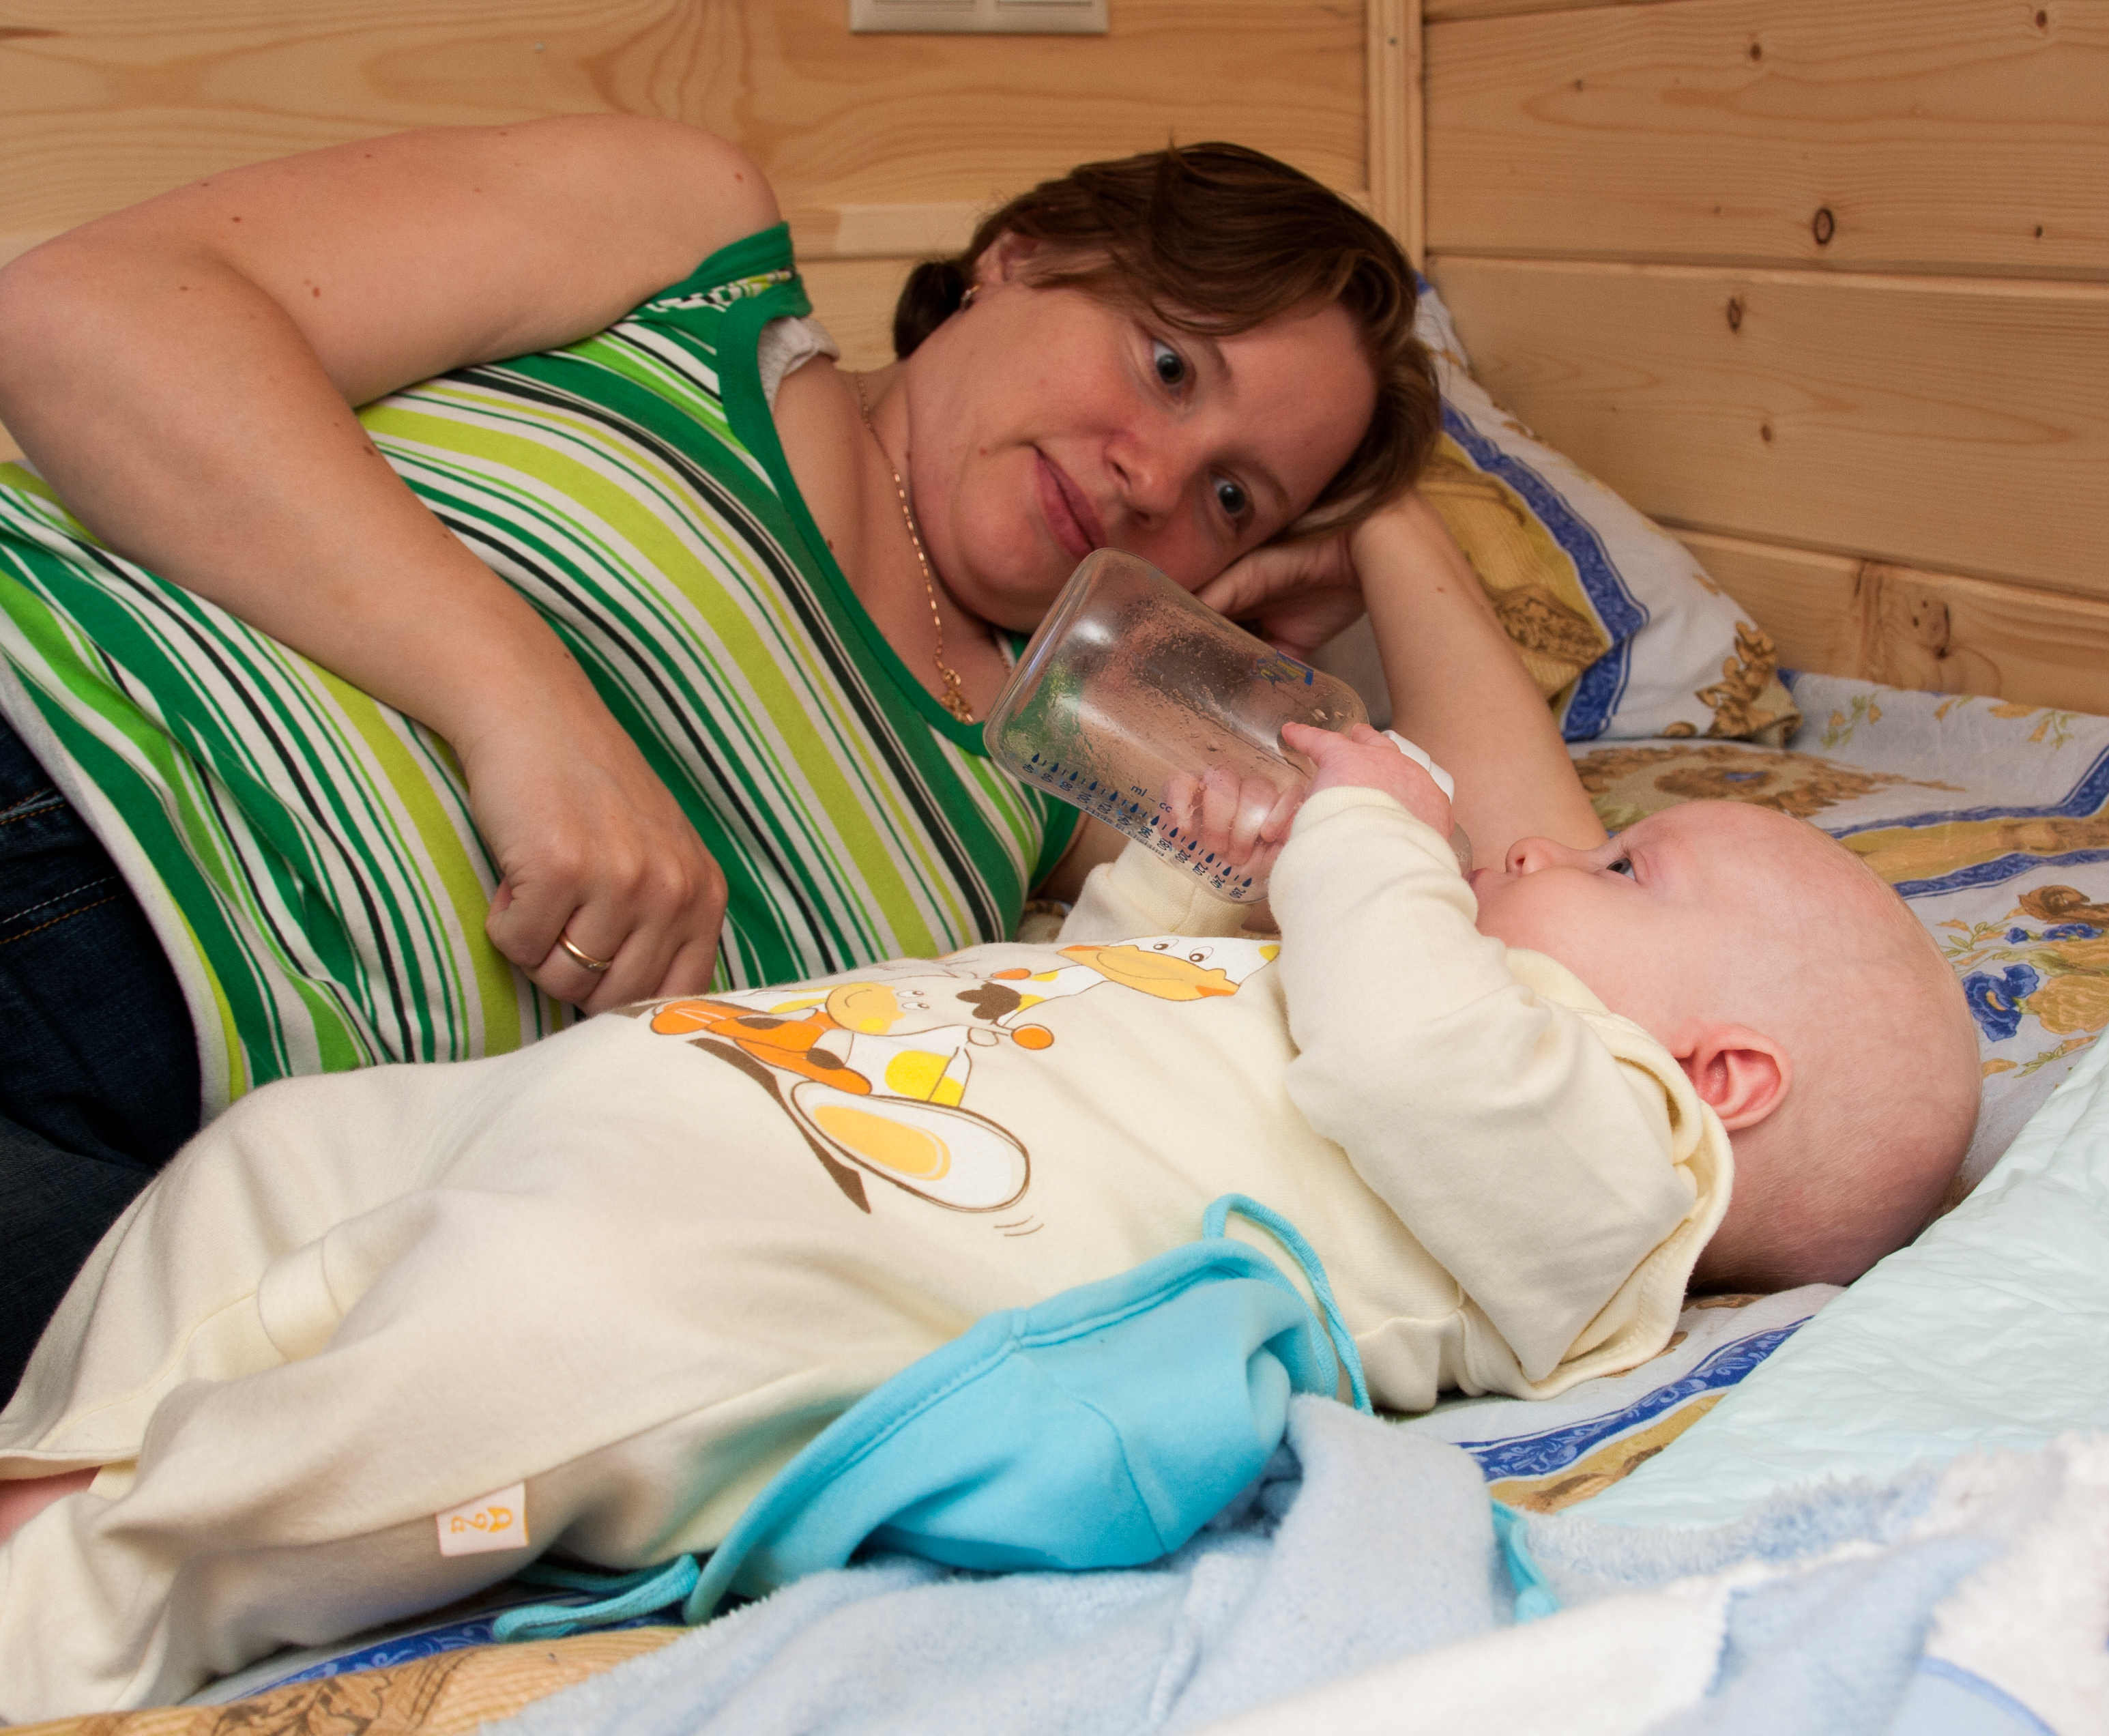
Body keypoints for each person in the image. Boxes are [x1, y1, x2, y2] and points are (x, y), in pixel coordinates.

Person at [0, 518, 1980, 1718]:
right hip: (739, 1084)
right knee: (291, 1148)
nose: (1550, 851)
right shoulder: (1434, 980)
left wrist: (1372, 832)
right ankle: (76, 1439)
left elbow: (1405, 1061)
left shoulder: (1616, 1170)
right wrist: (1203, 871)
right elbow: (1110, 982)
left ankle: (83, 1595)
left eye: (1625, 870)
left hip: (815, 1248)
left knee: (505, 1372)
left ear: (1722, 1078)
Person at [0, 123, 1446, 1389]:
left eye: (1234, 497)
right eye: (1169, 365)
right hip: (52, 769)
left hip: (203, 1191)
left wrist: (1398, 531)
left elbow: (1492, 913)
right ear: (1024, 256)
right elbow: (87, 312)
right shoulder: (694, 249)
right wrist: (525, 707)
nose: (1156, 475)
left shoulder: (1057, 768)